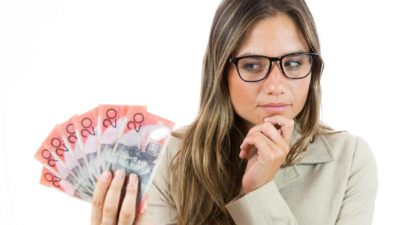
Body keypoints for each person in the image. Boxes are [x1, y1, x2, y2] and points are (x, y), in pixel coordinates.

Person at [90, 0, 378, 224]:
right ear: (221, 71)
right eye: (253, 65)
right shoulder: (173, 156)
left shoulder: (349, 159)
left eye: (293, 63)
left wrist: (259, 191)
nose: (275, 86)